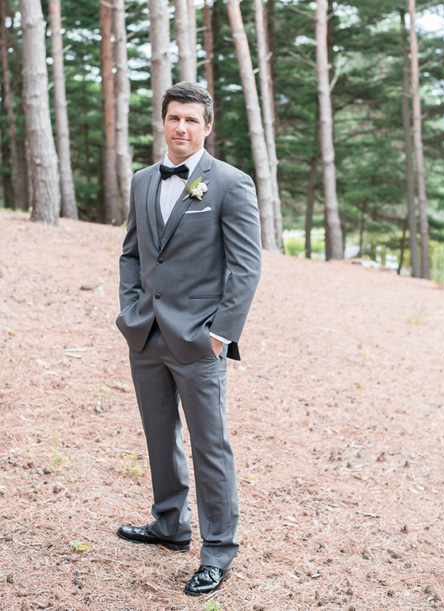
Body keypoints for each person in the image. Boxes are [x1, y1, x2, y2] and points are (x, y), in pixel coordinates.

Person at [115, 81, 262, 597]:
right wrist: (130, 309)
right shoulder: (141, 181)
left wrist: (220, 334)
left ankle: (218, 550)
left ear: (207, 126)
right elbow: (132, 253)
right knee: (159, 437)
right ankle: (169, 525)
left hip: (200, 341)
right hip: (146, 334)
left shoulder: (231, 183)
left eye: (191, 120)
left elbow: (246, 268)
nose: (181, 128)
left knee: (209, 446)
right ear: (163, 121)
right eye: (174, 118)